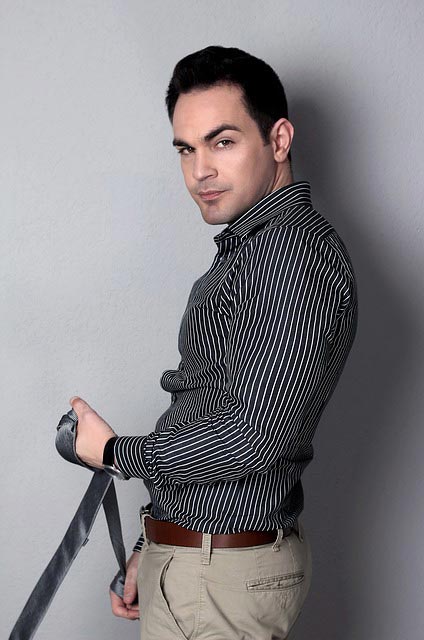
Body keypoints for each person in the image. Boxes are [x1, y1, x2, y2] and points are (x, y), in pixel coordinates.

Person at [70, 45, 358, 639]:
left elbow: (255, 436)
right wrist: (158, 544)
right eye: (186, 149)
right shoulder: (256, 248)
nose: (199, 170)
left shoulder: (290, 255)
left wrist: (117, 453)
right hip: (201, 560)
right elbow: (210, 407)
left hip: (219, 573)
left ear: (279, 140)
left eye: (222, 142)